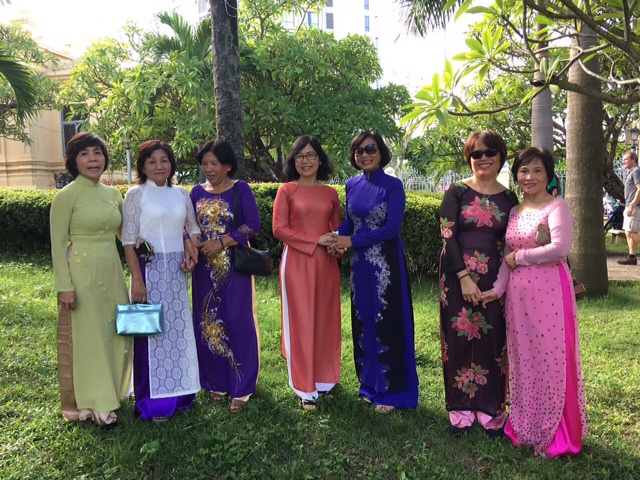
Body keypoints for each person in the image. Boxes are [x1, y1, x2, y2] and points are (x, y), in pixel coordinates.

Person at [482, 147, 587, 458]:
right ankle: (526, 426)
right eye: (524, 171)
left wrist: (522, 257)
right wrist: (497, 289)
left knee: (551, 360)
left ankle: (557, 435)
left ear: (548, 175)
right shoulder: (515, 211)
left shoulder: (557, 206)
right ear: (516, 175)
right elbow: (507, 257)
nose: (529, 177)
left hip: (551, 294)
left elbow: (560, 249)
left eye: (537, 170)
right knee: (524, 360)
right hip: (518, 299)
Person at [438, 130, 519, 437]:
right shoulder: (457, 191)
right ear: (468, 158)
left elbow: (513, 240)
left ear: (501, 156)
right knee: (457, 339)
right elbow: (448, 235)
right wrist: (463, 278)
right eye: (476, 154)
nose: (483, 158)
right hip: (456, 274)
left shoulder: (509, 198)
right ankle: (460, 410)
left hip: (495, 278)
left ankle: (490, 410)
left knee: (493, 340)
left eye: (490, 152)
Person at [332, 131, 418, 414]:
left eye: (370, 149)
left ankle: (393, 392)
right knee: (364, 320)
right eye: (358, 150)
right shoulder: (351, 184)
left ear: (381, 152)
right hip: (360, 266)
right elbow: (350, 222)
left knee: (388, 321)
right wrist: (335, 237)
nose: (364, 154)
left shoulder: (393, 186)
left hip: (386, 265)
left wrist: (351, 241)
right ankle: (369, 384)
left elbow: (392, 228)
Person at [49, 132, 131, 427]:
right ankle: (96, 402)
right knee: (90, 336)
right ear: (74, 161)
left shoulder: (113, 194)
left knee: (116, 332)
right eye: (84, 154)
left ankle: (113, 390)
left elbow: (126, 235)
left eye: (97, 153)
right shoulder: (66, 196)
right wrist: (64, 286)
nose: (93, 159)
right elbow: (58, 245)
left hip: (112, 271)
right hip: (82, 273)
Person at [122, 140, 201, 421]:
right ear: (143, 166)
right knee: (151, 333)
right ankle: (151, 402)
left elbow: (192, 226)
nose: (159, 166)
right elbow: (128, 240)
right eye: (152, 161)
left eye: (164, 160)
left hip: (177, 273)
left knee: (177, 333)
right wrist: (137, 279)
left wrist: (191, 246)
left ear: (172, 164)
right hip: (149, 270)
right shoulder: (136, 194)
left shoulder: (181, 193)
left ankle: (181, 394)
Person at [189, 140, 261, 413]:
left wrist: (221, 242)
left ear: (228, 165)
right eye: (205, 164)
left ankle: (243, 386)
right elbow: (188, 226)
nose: (209, 169)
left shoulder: (240, 189)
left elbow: (252, 224)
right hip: (203, 270)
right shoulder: (195, 192)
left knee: (236, 320)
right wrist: (191, 243)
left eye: (214, 163)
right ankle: (215, 381)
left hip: (234, 267)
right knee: (207, 321)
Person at [272, 136, 343, 411]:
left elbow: (338, 229)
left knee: (325, 319)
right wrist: (316, 240)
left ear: (320, 160)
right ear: (293, 161)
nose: (305, 160)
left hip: (326, 263)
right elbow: (279, 230)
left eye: (311, 155)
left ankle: (324, 381)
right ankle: (304, 387)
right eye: (300, 156)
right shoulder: (287, 190)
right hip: (297, 262)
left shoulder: (330, 193)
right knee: (301, 321)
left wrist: (337, 246)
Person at [617, 150, 640, 265]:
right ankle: (632, 257)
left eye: (626, 159)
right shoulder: (632, 172)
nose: (623, 162)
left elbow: (639, 189)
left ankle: (632, 257)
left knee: (630, 232)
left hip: (635, 206)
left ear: (633, 159)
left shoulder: (636, 171)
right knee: (628, 232)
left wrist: (632, 205)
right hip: (630, 205)